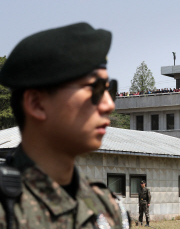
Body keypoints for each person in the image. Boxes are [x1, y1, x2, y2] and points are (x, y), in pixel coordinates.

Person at [0, 23, 129, 228]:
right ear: (36, 103)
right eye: (93, 89)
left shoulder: (106, 205)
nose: (109, 105)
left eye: (109, 89)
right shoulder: (7, 210)